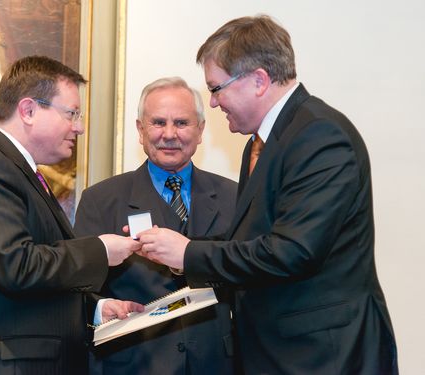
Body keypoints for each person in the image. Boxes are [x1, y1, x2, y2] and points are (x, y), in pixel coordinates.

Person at [137, 15, 398, 374]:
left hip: (321, 355)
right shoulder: (261, 143)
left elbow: (293, 251)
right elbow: (254, 239)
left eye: (216, 89)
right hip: (279, 352)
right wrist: (178, 250)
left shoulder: (320, 136)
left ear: (258, 80)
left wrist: (190, 253)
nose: (213, 104)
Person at [0, 55, 143, 374]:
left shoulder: (18, 171)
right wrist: (101, 250)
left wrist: (96, 308)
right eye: (72, 113)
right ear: (29, 110)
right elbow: (16, 267)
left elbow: (36, 283)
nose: (80, 127)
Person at [74, 77, 238, 375]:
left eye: (182, 122)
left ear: (201, 130)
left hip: (215, 362)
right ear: (140, 130)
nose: (170, 134)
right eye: (158, 122)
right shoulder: (100, 200)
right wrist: (105, 307)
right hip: (133, 363)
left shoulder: (234, 197)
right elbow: (79, 290)